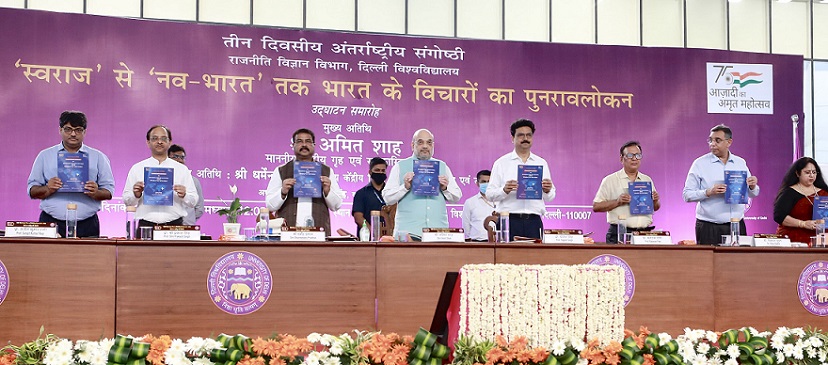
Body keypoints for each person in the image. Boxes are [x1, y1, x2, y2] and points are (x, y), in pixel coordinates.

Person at [27, 111, 116, 237]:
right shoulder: (44, 156)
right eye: (68, 129)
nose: (73, 134)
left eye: (78, 130)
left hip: (87, 224)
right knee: (47, 257)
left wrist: (96, 193)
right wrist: (48, 188)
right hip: (51, 222)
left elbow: (109, 192)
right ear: (60, 130)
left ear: (85, 132)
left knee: (87, 257)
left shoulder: (98, 157)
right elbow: (32, 191)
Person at [682, 124, 759, 245]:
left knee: (738, 263)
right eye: (710, 140)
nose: (712, 144)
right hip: (709, 226)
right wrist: (708, 192)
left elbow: (752, 194)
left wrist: (753, 186)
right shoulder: (700, 164)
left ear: (729, 142)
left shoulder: (740, 162)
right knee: (708, 263)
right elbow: (687, 195)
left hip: (736, 225)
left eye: (717, 140)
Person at [383, 129, 462, 238]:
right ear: (412, 145)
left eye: (429, 143)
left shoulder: (442, 166)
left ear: (433, 146)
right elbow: (387, 198)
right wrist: (405, 187)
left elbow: (457, 197)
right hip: (409, 234)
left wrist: (445, 188)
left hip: (438, 234)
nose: (425, 146)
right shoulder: (400, 166)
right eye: (420, 142)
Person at [265, 128, 345, 234]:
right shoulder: (281, 170)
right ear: (293, 145)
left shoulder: (326, 171)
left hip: (318, 235)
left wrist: (327, 191)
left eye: (308, 141)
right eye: (299, 141)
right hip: (288, 235)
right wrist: (282, 192)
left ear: (314, 145)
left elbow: (336, 206)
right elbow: (270, 206)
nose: (304, 145)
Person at [486, 119, 555, 240]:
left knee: (534, 258)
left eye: (529, 135)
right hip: (508, 221)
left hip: (533, 221)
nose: (525, 138)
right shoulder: (501, 163)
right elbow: (490, 195)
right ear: (512, 138)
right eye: (520, 135)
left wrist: (548, 190)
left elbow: (550, 197)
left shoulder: (541, 163)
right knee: (506, 259)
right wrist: (504, 190)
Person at [123, 125, 199, 231]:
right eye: (155, 138)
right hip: (146, 226)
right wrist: (136, 194)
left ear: (170, 142)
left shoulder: (182, 169)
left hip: (174, 227)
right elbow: (127, 201)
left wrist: (185, 195)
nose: (159, 142)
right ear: (148, 142)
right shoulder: (137, 168)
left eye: (164, 138)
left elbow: (194, 201)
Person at [593, 141, 661, 243]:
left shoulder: (647, 180)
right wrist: (618, 202)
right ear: (621, 158)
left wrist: (655, 201)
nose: (634, 158)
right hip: (619, 234)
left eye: (638, 155)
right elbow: (596, 207)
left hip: (644, 235)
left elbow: (655, 207)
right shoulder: (610, 180)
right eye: (630, 155)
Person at [773, 157, 828, 243]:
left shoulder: (824, 192)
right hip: (794, 241)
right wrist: (802, 224)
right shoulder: (789, 193)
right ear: (798, 173)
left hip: (821, 241)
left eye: (814, 172)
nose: (811, 175)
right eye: (807, 172)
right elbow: (779, 217)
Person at [168, 144, 204, 226]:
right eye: (175, 157)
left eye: (182, 157)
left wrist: (188, 219)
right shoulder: (163, 179)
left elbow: (199, 208)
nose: (180, 160)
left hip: (187, 228)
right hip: (167, 227)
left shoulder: (194, 181)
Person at [352, 157, 387, 234]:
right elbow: (358, 217)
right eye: (377, 170)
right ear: (370, 172)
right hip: (367, 238)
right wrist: (372, 231)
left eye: (383, 171)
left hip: (389, 238)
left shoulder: (391, 193)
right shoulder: (361, 193)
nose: (380, 173)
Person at [462, 170, 495, 241]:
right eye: (483, 182)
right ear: (477, 183)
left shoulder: (499, 201)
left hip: (496, 243)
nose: (486, 184)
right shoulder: (470, 202)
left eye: (489, 181)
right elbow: (466, 225)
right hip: (476, 242)